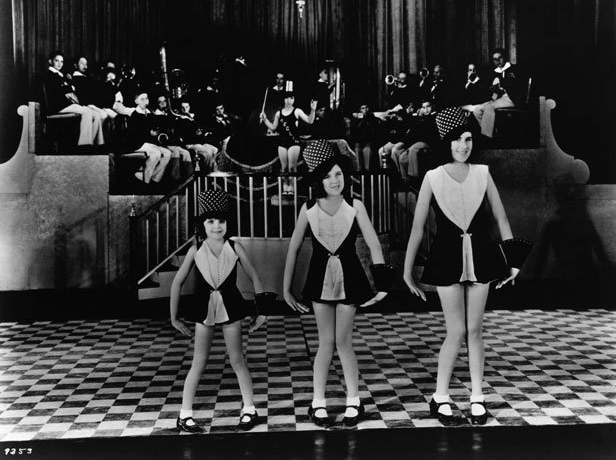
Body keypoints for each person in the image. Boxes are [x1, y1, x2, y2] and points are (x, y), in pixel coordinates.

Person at [402, 109, 520, 426]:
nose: (463, 146)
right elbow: (417, 228)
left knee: (475, 331)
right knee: (455, 332)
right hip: (446, 257)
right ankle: (440, 396)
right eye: (456, 139)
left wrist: (515, 261)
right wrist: (406, 271)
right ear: (446, 142)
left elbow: (502, 218)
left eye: (468, 139)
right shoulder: (432, 177)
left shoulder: (483, 173)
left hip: (482, 255)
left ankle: (477, 397)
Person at [283, 140, 390, 428]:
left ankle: (354, 401)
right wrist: (286, 289)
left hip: (350, 278)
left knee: (343, 342)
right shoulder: (308, 208)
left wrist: (383, 285)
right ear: (318, 180)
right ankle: (318, 402)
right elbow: (293, 248)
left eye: (338, 174)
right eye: (327, 175)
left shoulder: (355, 205)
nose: (334, 180)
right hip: (319, 279)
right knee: (325, 343)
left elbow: (374, 245)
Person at [170, 189, 266, 434]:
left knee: (237, 359)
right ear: (202, 224)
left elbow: (255, 276)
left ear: (228, 223)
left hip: (231, 306)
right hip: (204, 309)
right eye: (210, 221)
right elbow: (177, 283)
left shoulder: (235, 246)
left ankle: (250, 409)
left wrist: (263, 311)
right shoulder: (195, 249)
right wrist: (173, 318)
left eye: (221, 221)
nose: (216, 226)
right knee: (198, 362)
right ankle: (184, 414)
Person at [41, 51, 103, 146]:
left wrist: (67, 87)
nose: (59, 64)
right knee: (87, 112)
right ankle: (84, 144)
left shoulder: (61, 75)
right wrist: (68, 88)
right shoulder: (48, 75)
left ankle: (95, 143)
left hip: (67, 104)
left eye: (62, 61)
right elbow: (56, 92)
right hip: (58, 106)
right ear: (50, 61)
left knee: (96, 115)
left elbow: (67, 89)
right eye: (57, 61)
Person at [260, 91, 317, 193]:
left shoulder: (297, 111)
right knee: (284, 167)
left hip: (294, 142)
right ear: (283, 99)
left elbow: (310, 121)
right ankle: (285, 187)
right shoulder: (278, 113)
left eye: (291, 98)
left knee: (292, 167)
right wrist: (265, 119)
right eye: (286, 98)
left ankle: (292, 188)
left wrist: (313, 110)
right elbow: (273, 127)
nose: (289, 100)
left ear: (294, 99)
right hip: (282, 142)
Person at [471, 48, 525, 138]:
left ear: (505, 57)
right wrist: (493, 95)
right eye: (495, 59)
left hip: (512, 98)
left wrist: (502, 84)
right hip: (500, 98)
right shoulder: (494, 72)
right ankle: (490, 133)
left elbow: (519, 86)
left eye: (500, 58)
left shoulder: (515, 69)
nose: (498, 61)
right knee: (477, 110)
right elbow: (493, 90)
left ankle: (486, 137)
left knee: (489, 107)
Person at [127, 91, 172, 185]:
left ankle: (154, 178)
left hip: (149, 143)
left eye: (146, 98)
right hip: (138, 143)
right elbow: (134, 133)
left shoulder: (149, 113)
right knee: (156, 153)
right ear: (136, 101)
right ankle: (146, 181)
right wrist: (149, 133)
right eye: (142, 99)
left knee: (167, 153)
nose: (145, 101)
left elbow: (155, 125)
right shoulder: (134, 115)